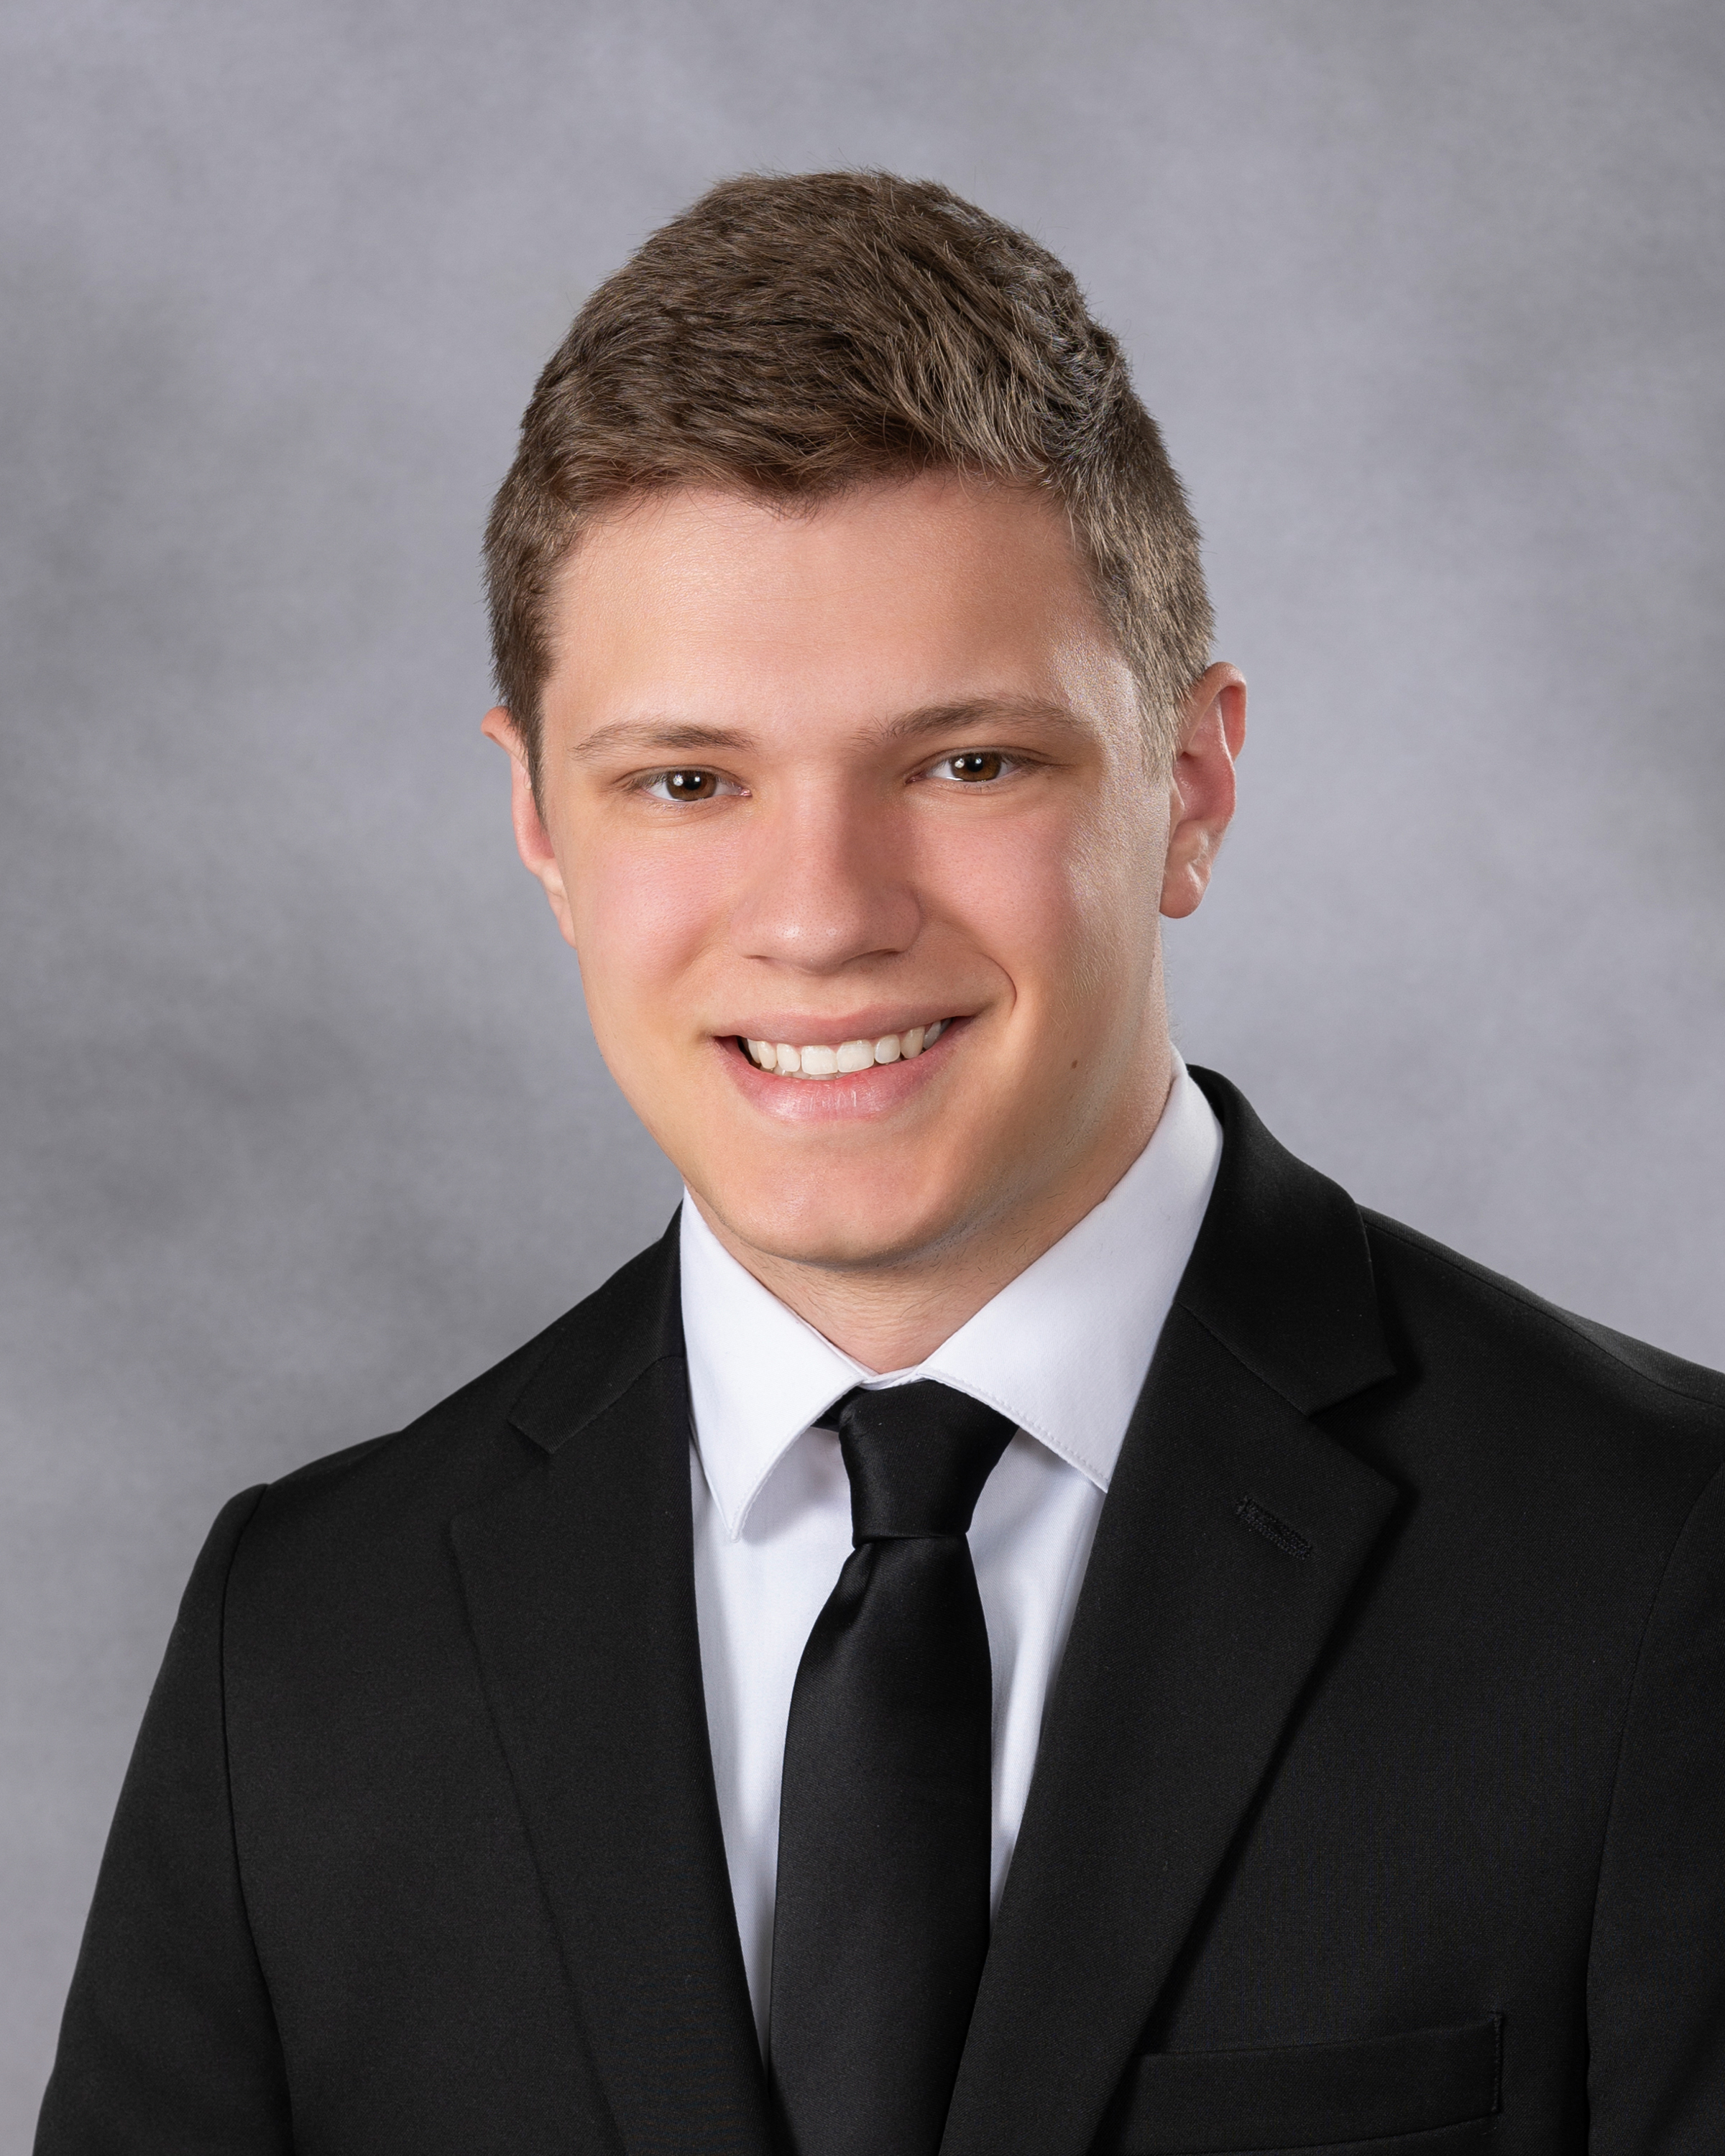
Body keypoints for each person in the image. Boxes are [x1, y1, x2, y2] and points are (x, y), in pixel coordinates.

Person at [35, 172, 1724, 2156]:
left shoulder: (1661, 1575)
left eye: (966, 763)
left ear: (1191, 786)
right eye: (688, 781)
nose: (823, 916)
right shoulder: (306, 1649)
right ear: (542, 829)